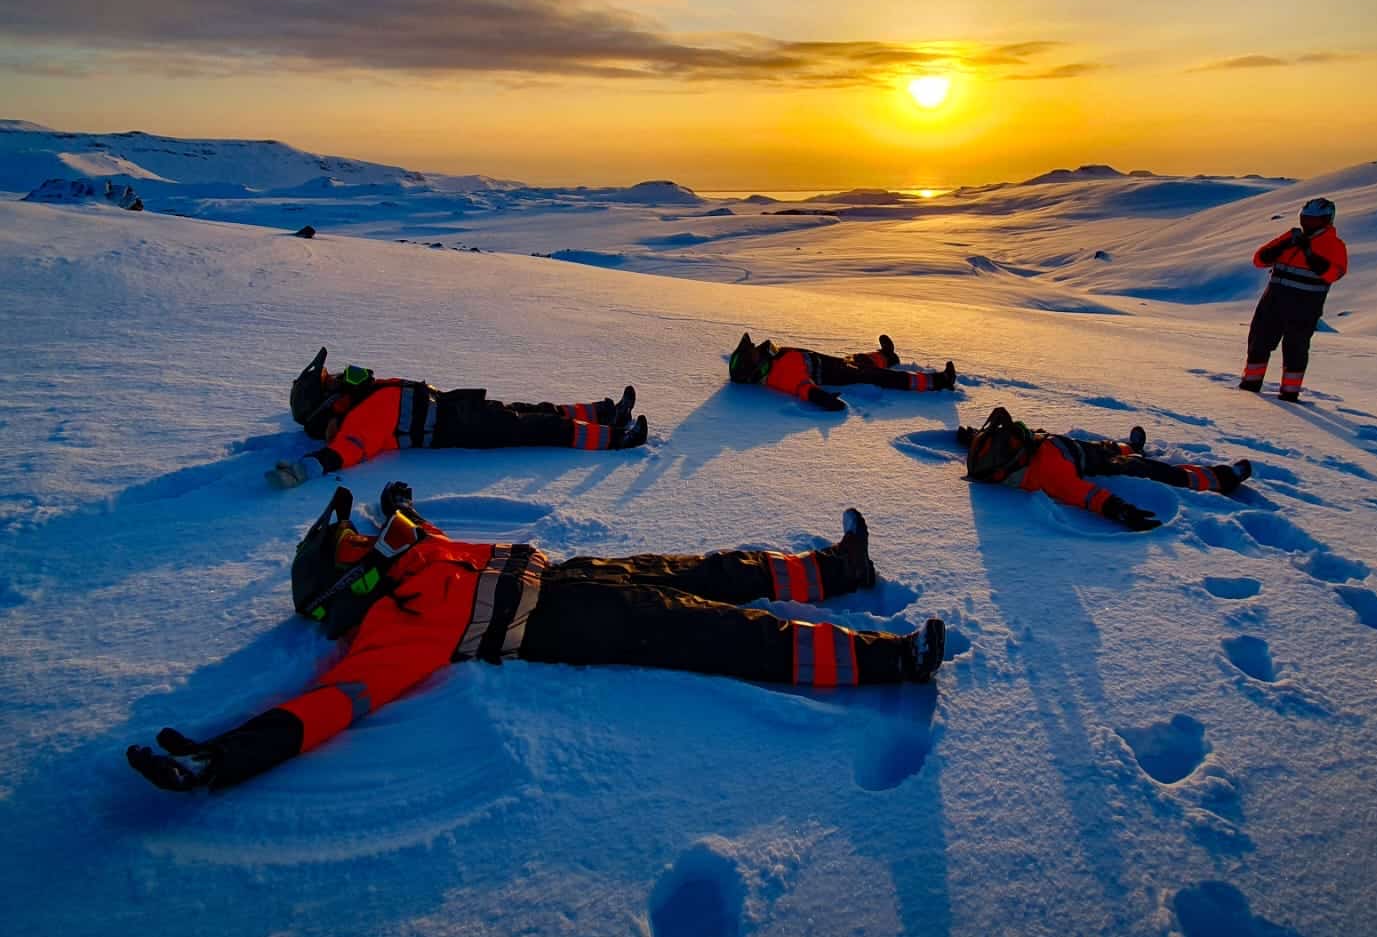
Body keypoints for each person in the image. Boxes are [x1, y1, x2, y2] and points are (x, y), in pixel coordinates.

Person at [126, 483, 947, 791]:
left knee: (717, 571)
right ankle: (891, 661)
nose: (379, 533)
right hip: (573, 624)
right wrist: (224, 755)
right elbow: (331, 705)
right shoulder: (395, 628)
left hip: (575, 575)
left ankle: (839, 571)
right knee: (730, 635)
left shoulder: (415, 556)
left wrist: (391, 511)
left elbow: (407, 522)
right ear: (355, 583)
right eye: (357, 546)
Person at [268, 348, 648, 487]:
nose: (345, 375)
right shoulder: (359, 421)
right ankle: (618, 439)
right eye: (334, 379)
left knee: (535, 411)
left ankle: (606, 413)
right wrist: (305, 469)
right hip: (462, 427)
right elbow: (347, 450)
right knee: (543, 428)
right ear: (331, 403)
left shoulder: (363, 396)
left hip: (456, 407)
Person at [959, 408, 1252, 531]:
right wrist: (1121, 510)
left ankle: (1129, 445)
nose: (1024, 431)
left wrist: (971, 437)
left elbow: (988, 445)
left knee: (1107, 448)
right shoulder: (1048, 473)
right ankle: (1220, 479)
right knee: (1143, 467)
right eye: (1019, 432)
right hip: (1088, 464)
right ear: (1016, 453)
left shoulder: (1010, 449)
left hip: (1076, 448)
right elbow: (1087, 495)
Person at [1239, 197, 1349, 402]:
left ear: (1327, 220)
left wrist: (1310, 255)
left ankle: (1290, 394)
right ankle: (1249, 386)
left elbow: (1334, 273)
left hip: (1304, 308)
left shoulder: (1334, 245)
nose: (1307, 224)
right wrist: (1282, 246)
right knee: (1258, 343)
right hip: (1272, 302)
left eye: (1313, 221)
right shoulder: (1292, 237)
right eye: (1305, 219)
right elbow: (1259, 259)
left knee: (1295, 349)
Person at [729, 333, 957, 411]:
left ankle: (888, 356)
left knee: (859, 359)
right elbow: (802, 388)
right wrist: (823, 399)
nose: (758, 350)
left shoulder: (775, 360)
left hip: (831, 364)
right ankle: (938, 381)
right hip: (839, 375)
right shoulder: (779, 375)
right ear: (755, 368)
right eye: (753, 355)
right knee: (879, 376)